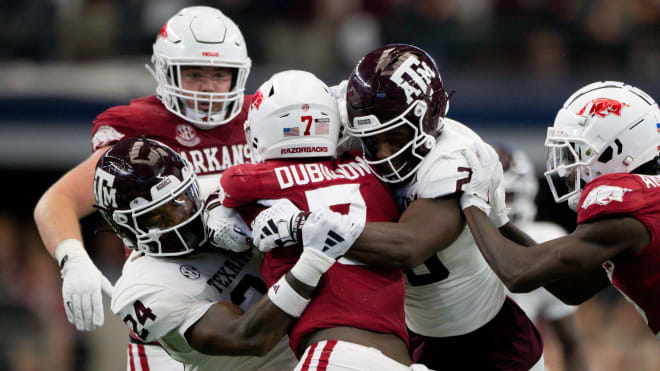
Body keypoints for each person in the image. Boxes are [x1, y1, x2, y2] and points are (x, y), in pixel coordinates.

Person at [251, 45, 542, 370]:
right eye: (373, 141)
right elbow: (270, 128)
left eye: (396, 136)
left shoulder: (455, 158)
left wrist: (306, 224)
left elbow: (409, 245)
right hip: (413, 337)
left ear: (430, 116)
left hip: (490, 344)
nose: (384, 153)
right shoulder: (349, 111)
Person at [33, 5, 253, 369]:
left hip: (251, 303)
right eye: (194, 73)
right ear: (166, 72)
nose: (207, 87)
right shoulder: (137, 127)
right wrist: (73, 260)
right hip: (169, 313)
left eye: (219, 73)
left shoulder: (260, 116)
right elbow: (58, 200)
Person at [217, 70, 429, 370]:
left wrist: (219, 212)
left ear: (258, 131)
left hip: (334, 354)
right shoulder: (372, 170)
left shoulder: (246, 182)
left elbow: (226, 192)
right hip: (387, 354)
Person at [95, 136, 361, 370]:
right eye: (157, 218)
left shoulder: (216, 191)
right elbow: (249, 337)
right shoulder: (143, 288)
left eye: (180, 200)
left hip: (323, 348)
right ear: (125, 228)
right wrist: (313, 260)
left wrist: (219, 203)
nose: (181, 218)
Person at [460, 81, 660, 339]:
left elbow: (517, 273)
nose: (566, 169)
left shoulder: (630, 207)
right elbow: (573, 288)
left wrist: (473, 201)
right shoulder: (646, 204)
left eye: (573, 154)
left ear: (617, 149)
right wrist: (500, 222)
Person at [495, 144, 589, 371]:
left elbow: (572, 343)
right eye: (494, 198)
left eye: (508, 196)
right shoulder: (444, 239)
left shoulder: (545, 240)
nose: (500, 207)